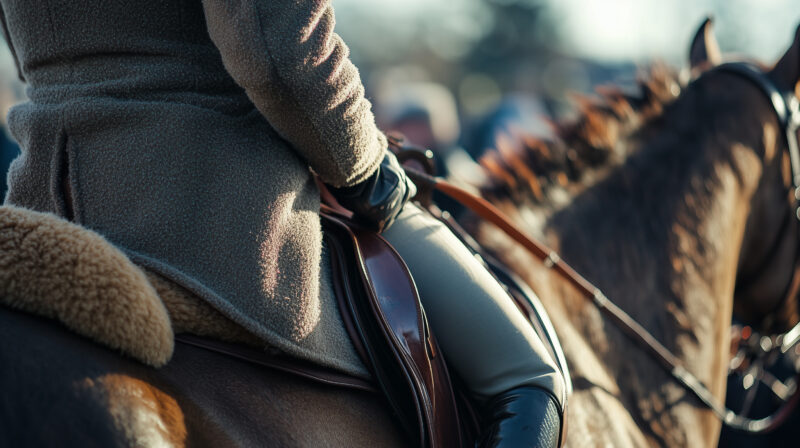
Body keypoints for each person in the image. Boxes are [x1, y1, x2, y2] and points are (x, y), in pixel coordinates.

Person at [0, 1, 565, 446]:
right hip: (218, 213)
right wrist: (368, 170)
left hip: (48, 200)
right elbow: (281, 54)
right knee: (530, 378)